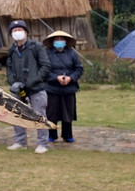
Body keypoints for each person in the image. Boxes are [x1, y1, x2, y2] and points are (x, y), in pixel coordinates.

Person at [5, 19, 51, 153]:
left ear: (26, 32)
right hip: (18, 88)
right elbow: (9, 67)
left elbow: (46, 66)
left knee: (39, 115)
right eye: (14, 31)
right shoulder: (12, 50)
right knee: (16, 114)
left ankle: (42, 143)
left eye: (20, 30)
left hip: (36, 88)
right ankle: (20, 141)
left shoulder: (36, 47)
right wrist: (12, 82)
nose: (17, 33)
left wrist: (32, 81)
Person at [42, 31, 83, 144]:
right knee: (51, 113)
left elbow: (79, 68)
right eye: (57, 39)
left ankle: (67, 135)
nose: (59, 41)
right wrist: (56, 77)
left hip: (69, 87)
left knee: (67, 112)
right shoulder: (47, 54)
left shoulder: (72, 53)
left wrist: (71, 78)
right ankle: (52, 134)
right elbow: (44, 70)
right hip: (52, 88)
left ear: (65, 41)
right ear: (53, 41)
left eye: (61, 39)